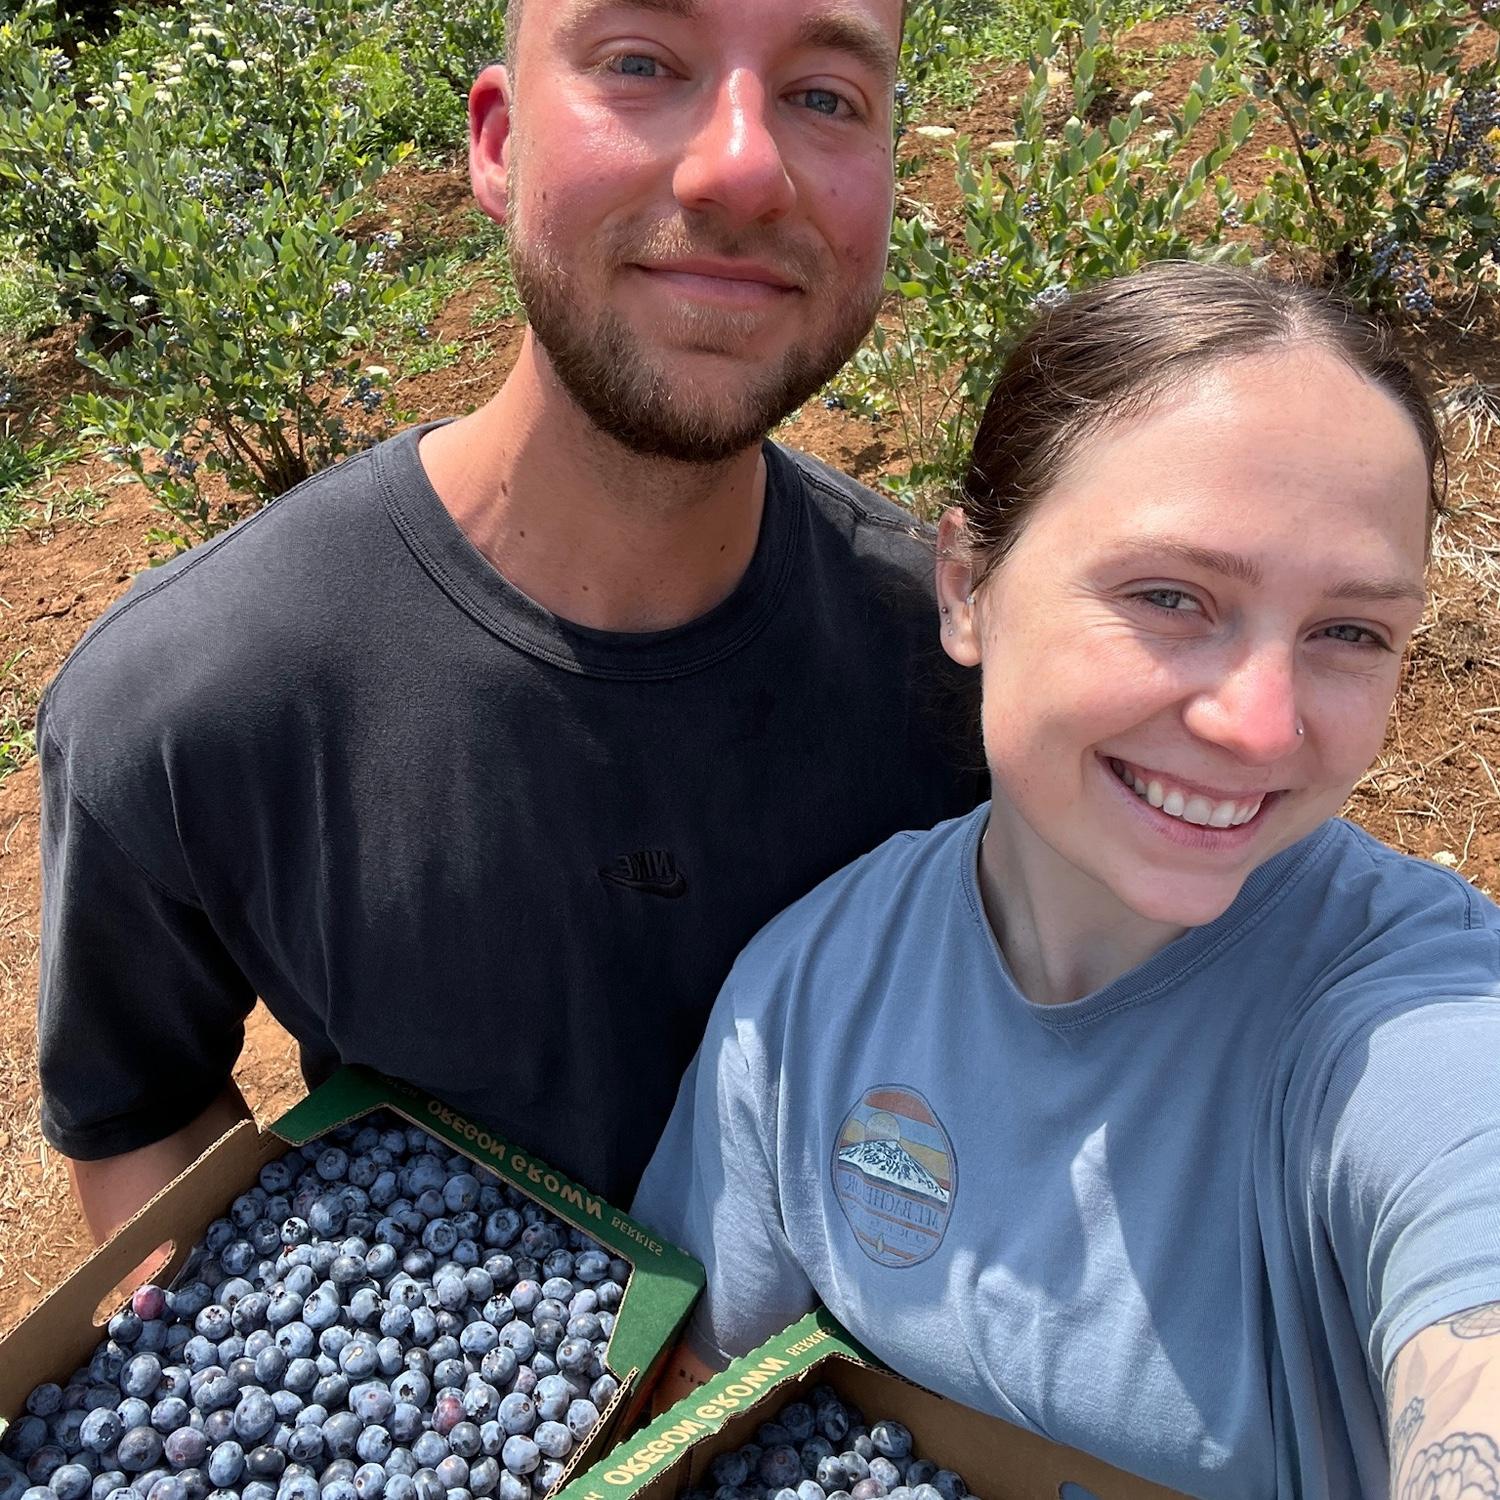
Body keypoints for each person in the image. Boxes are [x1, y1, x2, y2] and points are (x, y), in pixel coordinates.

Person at [35, 0, 981, 1239]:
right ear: (496, 144)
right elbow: (142, 1109)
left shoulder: (977, 683)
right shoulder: (185, 709)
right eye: (641, 64)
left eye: (826, 96)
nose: (744, 168)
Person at [633, 262, 1500, 1497]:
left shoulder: (1415, 1028)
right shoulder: (811, 994)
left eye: (1350, 632)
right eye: (1170, 596)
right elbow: (685, 1400)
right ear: (968, 585)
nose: (1262, 726)